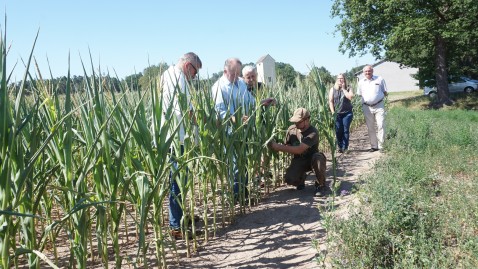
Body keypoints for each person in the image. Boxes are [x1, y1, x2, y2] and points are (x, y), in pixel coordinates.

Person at [161, 52, 202, 239]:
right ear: (188, 66)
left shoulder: (167, 75)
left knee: (179, 181)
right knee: (177, 182)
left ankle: (179, 218)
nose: (194, 77)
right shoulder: (178, 79)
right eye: (195, 73)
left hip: (173, 137)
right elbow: (185, 110)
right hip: (177, 139)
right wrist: (201, 124)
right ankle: (176, 226)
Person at [268, 108, 328, 197]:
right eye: (295, 122)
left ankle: (320, 184)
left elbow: (300, 149)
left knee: (318, 158)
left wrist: (277, 146)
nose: (296, 124)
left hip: (312, 159)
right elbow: (287, 145)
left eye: (298, 122)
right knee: (289, 179)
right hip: (299, 160)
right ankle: (301, 179)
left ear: (307, 120)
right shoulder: (291, 129)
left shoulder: (313, 132)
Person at [357, 64, 388, 152]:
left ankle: (382, 146)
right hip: (367, 107)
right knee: (370, 127)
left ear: (372, 71)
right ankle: (374, 146)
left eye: (369, 71)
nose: (368, 72)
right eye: (366, 71)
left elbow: (385, 92)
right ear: (363, 73)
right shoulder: (361, 82)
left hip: (379, 106)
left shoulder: (380, 79)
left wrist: (378, 99)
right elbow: (359, 94)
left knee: (380, 125)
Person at [328, 73, 354, 153]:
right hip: (337, 114)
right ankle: (340, 147)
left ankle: (345, 147)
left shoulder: (349, 88)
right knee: (338, 130)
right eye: (339, 78)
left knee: (345, 130)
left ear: (344, 79)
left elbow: (350, 97)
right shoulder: (333, 89)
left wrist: (343, 89)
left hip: (347, 113)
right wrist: (333, 112)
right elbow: (331, 101)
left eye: (342, 78)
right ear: (336, 80)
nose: (340, 80)